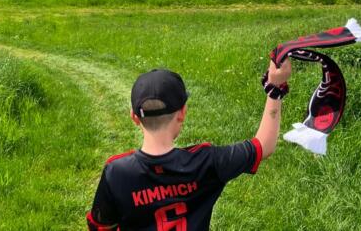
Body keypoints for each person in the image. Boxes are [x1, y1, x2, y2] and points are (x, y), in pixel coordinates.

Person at [86, 59, 292, 230]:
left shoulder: (116, 171)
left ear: (134, 117)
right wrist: (274, 89)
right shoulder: (207, 161)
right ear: (182, 112)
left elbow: (101, 226)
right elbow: (263, 146)